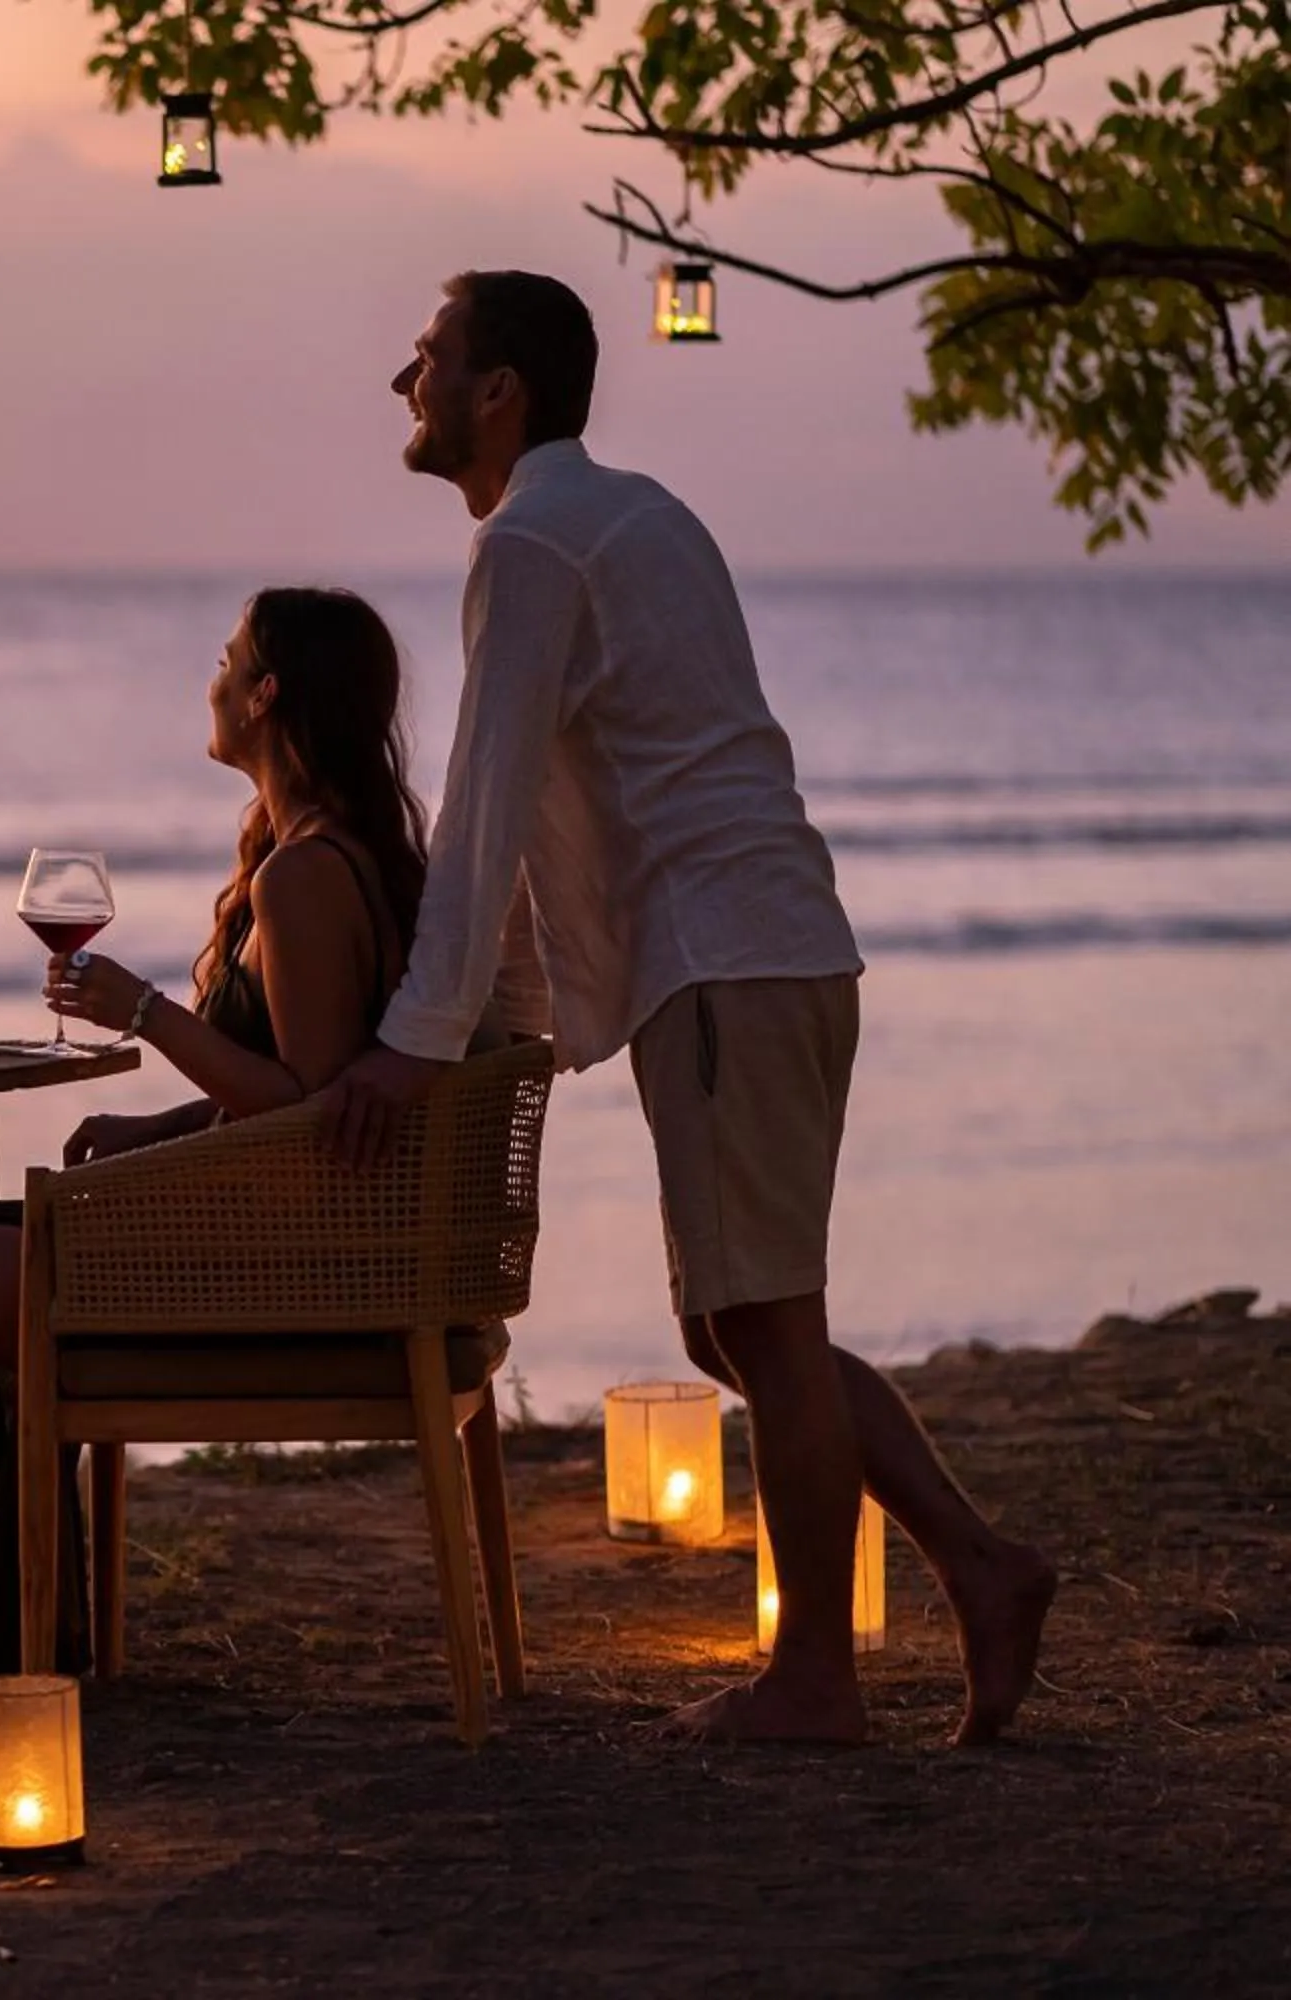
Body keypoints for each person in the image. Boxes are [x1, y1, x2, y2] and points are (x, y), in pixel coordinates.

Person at [315, 270, 1057, 1745]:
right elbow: (556, 823)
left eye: (427, 358)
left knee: (764, 1328)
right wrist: (507, 1011)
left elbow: (483, 809)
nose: (403, 383)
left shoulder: (531, 545)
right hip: (770, 950)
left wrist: (415, 1040)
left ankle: (819, 1683)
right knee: (746, 1327)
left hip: (727, 962)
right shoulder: (638, 514)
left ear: (498, 391)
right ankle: (982, 1569)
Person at [0, 585, 431, 1700]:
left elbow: (302, 1107)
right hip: (262, 1235)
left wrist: (149, 1012)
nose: (209, 681)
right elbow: (323, 1084)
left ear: (266, 696)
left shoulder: (303, 875)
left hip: (249, 1268)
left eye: (226, 660)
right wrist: (153, 1124)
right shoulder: (334, 850)